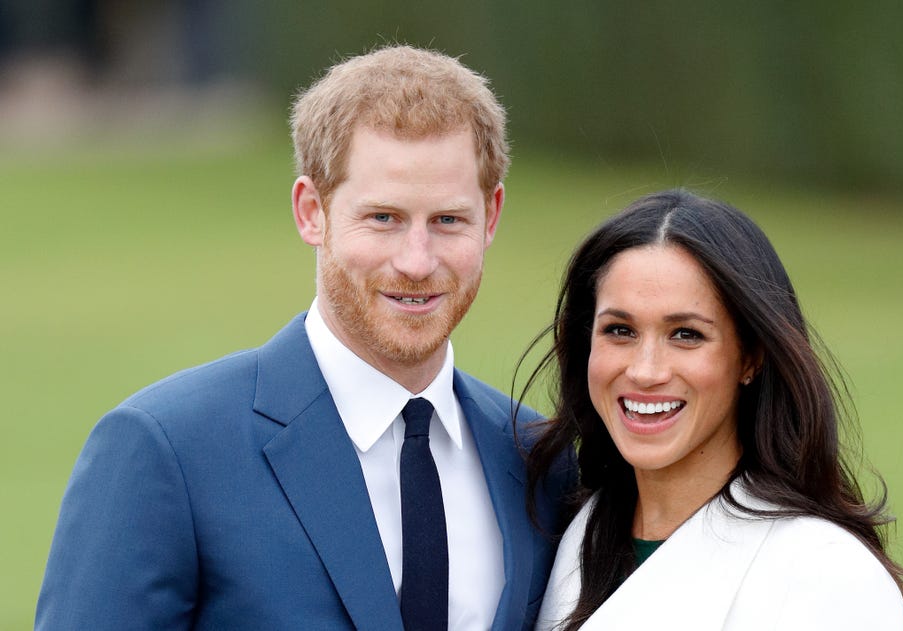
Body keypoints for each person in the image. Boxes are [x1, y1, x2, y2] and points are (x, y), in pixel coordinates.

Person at [36, 45, 572, 631]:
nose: (417, 262)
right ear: (311, 210)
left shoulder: (537, 459)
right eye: (383, 218)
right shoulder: (168, 451)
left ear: (491, 217)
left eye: (448, 220)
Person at [522, 190, 903, 630]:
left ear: (750, 357)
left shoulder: (825, 573)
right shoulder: (571, 533)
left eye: (686, 335)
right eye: (620, 330)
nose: (645, 370)